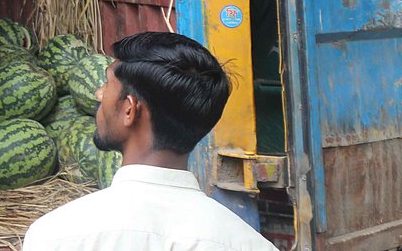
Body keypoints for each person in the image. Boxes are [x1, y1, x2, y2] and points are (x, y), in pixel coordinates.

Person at [23, 32, 277, 251]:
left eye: (107, 83)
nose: (98, 93)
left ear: (129, 110)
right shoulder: (249, 245)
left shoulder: (55, 236)